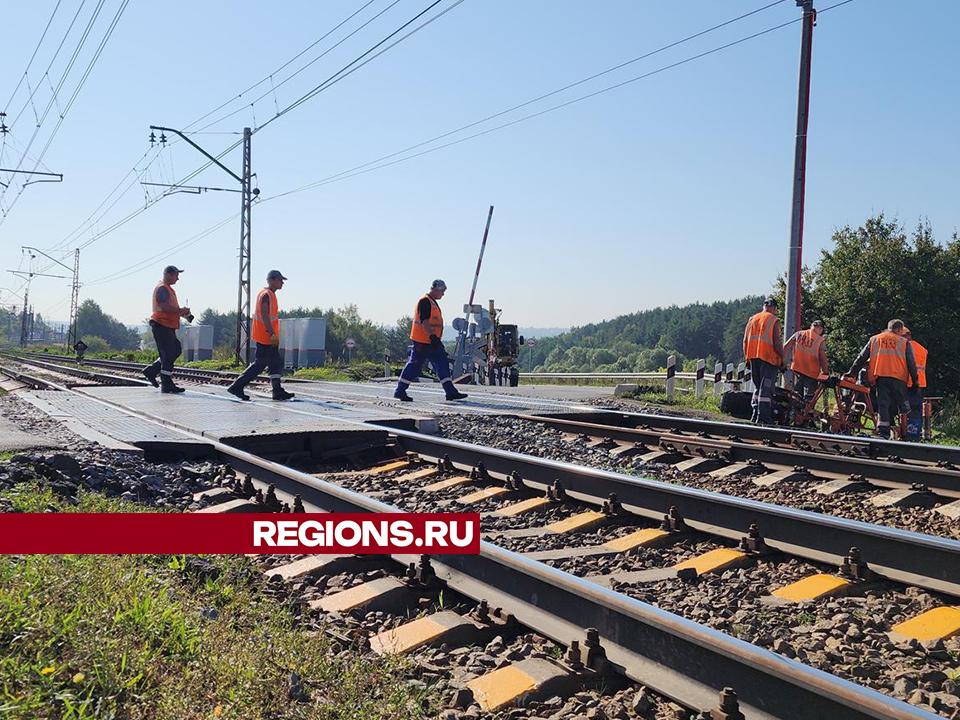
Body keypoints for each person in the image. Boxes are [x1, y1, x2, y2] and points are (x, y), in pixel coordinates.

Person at [394, 279, 468, 402]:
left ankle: (450, 392)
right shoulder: (425, 302)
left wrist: (434, 339)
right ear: (436, 289)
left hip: (432, 342)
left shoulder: (432, 302)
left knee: (442, 364)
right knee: (414, 366)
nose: (443, 294)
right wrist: (432, 336)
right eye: (442, 291)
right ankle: (400, 391)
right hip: (423, 341)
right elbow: (425, 322)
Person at [227, 270, 295, 402]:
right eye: (280, 280)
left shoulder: (269, 294)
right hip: (266, 336)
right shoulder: (266, 295)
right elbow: (264, 315)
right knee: (260, 364)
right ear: (272, 280)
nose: (282, 283)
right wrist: (272, 334)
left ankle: (277, 391)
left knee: (276, 362)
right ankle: (237, 386)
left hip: (267, 335)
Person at [848, 319, 918, 439]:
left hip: (881, 376)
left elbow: (861, 358)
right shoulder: (904, 342)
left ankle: (883, 432)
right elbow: (911, 363)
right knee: (903, 405)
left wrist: (851, 373)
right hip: (899, 378)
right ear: (899, 329)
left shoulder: (875, 339)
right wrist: (915, 380)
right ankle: (909, 432)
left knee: (883, 404)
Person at [144, 265, 191, 394]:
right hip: (161, 324)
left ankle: (152, 371)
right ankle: (166, 383)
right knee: (169, 353)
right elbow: (165, 308)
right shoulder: (163, 288)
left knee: (175, 350)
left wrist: (182, 313)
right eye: (176, 275)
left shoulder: (168, 289)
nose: (178, 278)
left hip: (166, 325)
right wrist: (181, 311)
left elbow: (169, 308)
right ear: (169, 274)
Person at [742, 297, 784, 423]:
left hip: (753, 357)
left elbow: (745, 341)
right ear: (775, 308)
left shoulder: (752, 319)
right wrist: (782, 360)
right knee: (766, 388)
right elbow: (777, 343)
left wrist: (747, 358)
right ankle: (763, 417)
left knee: (757, 386)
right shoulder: (774, 320)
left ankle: (755, 414)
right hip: (769, 359)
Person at [784, 319, 828, 400]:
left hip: (797, 369)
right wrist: (825, 372)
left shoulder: (799, 334)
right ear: (820, 329)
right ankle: (808, 412)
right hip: (811, 372)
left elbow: (786, 346)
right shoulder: (820, 340)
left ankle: (795, 411)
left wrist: (782, 361)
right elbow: (823, 359)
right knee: (809, 397)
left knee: (797, 396)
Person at [901, 326, 928, 418]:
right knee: (917, 409)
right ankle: (916, 429)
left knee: (906, 408)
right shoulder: (922, 349)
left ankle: (906, 429)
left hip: (907, 382)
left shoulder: (904, 347)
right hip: (920, 383)